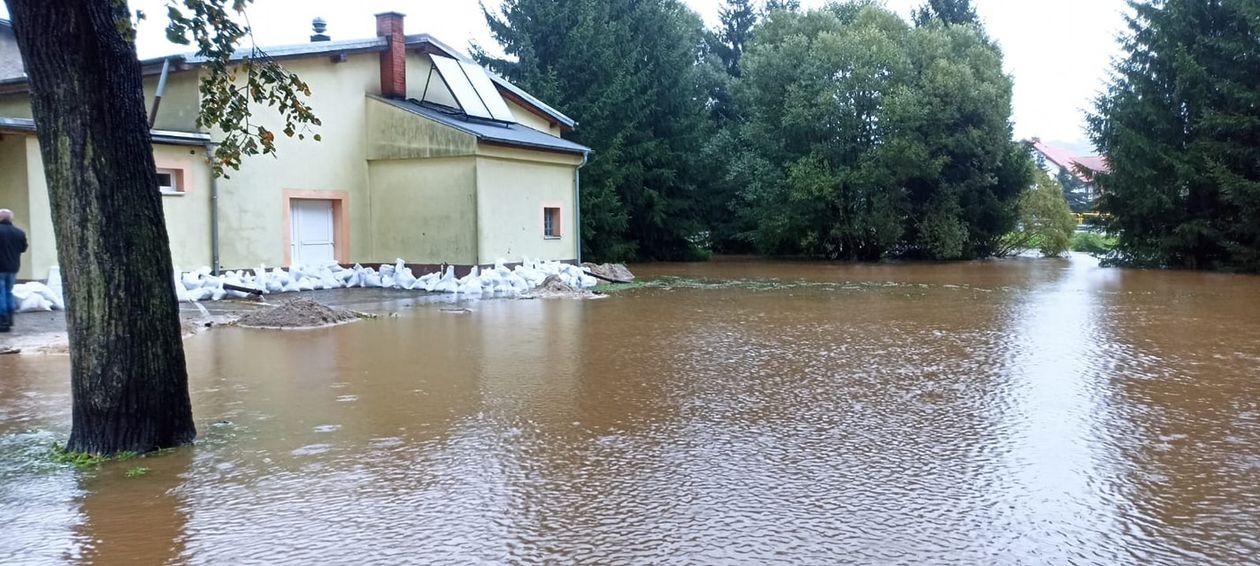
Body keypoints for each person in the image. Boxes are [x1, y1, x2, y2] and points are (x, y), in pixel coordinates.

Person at [0, 208, 29, 333]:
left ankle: (3, 320)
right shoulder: (19, 232)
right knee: (8, 291)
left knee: (0, 293)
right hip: (13, 267)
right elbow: (23, 248)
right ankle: (10, 318)